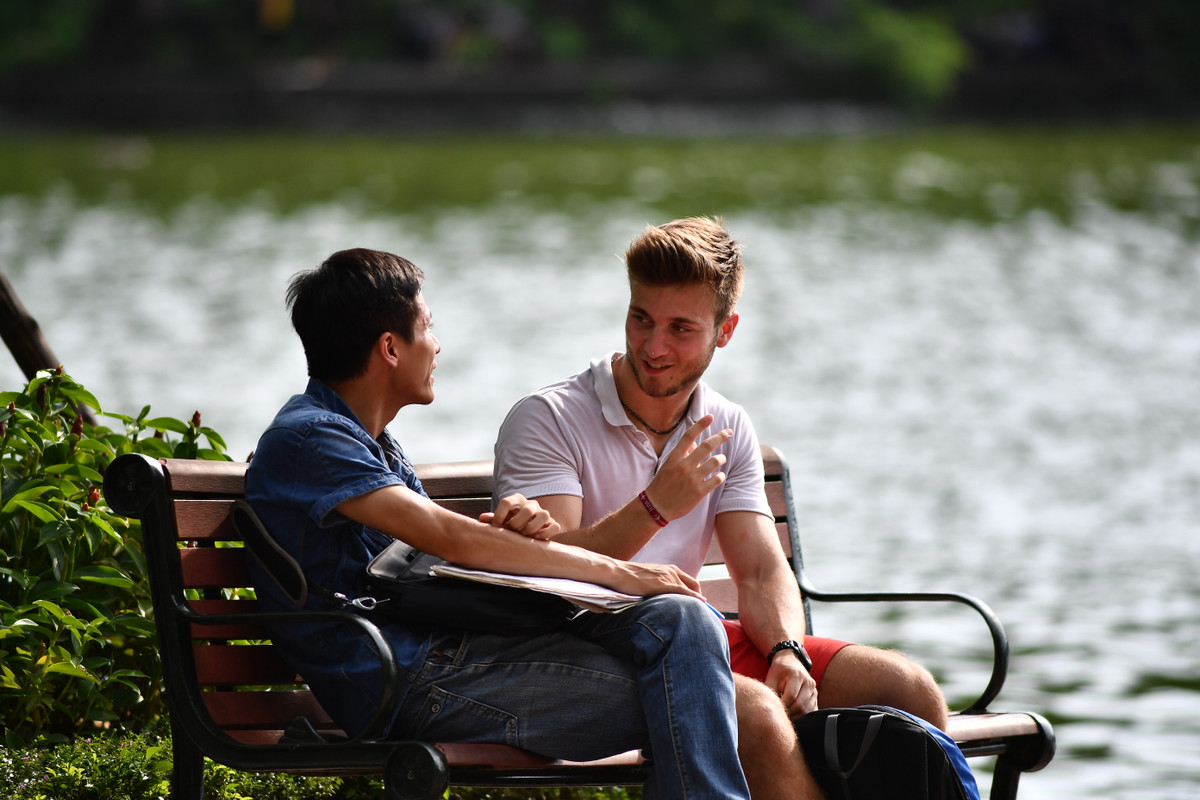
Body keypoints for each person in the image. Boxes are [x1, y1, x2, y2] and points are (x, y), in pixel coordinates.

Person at [244, 247, 752, 800]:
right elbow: (448, 538)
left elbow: (433, 554)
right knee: (690, 693)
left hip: (455, 651)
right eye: (428, 327)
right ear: (390, 347)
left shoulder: (371, 443)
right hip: (412, 679)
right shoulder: (310, 438)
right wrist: (620, 572)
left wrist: (516, 534)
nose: (437, 345)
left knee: (685, 622)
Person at [492, 217, 949, 800]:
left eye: (680, 328)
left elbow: (758, 570)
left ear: (725, 330)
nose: (653, 347)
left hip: (701, 637)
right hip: (592, 651)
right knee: (755, 710)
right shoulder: (548, 418)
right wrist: (656, 508)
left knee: (907, 687)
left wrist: (785, 649)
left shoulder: (727, 424)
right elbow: (556, 569)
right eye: (641, 319)